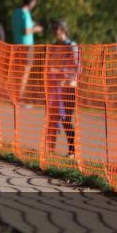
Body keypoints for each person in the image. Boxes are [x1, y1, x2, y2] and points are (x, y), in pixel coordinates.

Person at [45, 19, 79, 159]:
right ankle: (50, 149)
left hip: (69, 88)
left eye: (57, 29)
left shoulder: (72, 46)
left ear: (63, 30)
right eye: (53, 29)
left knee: (66, 120)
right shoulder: (54, 47)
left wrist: (69, 78)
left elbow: (77, 67)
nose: (55, 32)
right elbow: (50, 66)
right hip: (55, 88)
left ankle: (72, 151)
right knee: (53, 118)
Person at [11, 0, 43, 106]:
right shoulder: (25, 13)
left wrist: (33, 24)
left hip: (17, 45)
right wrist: (36, 29)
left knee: (18, 73)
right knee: (24, 73)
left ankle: (15, 97)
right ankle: (19, 99)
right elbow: (26, 30)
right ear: (31, 3)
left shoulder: (16, 12)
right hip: (27, 47)